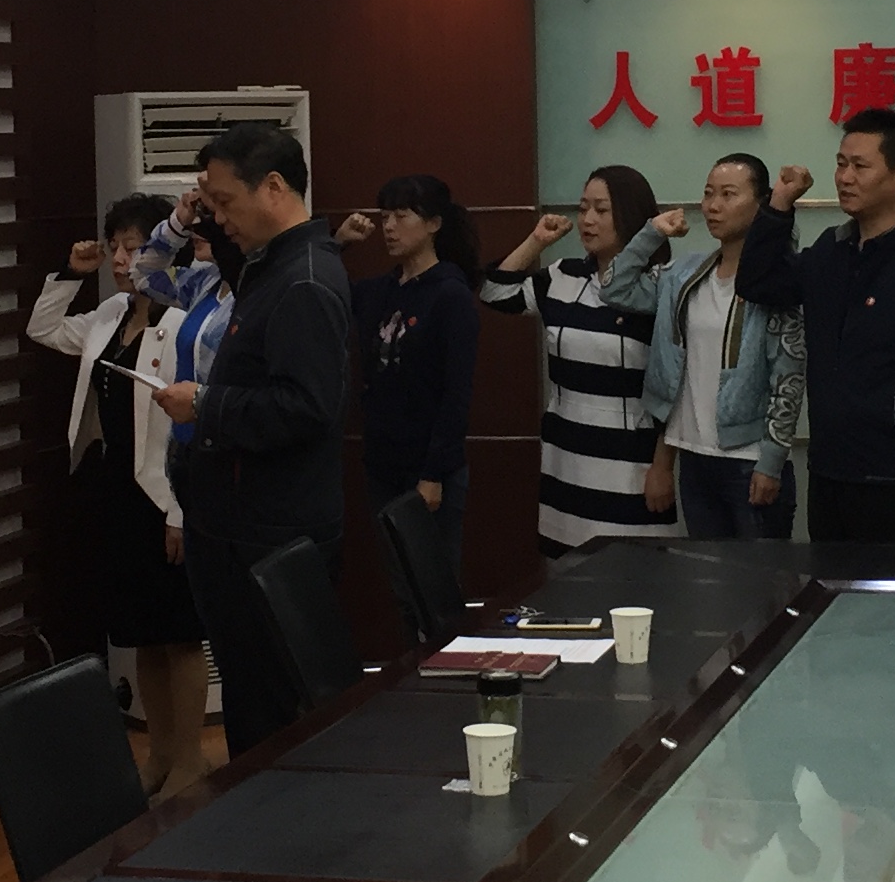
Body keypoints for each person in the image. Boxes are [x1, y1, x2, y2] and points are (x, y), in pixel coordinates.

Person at [153, 123, 350, 755]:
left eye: (225, 202)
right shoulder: (272, 263)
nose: (219, 218)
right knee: (250, 700)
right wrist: (192, 215)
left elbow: (307, 407)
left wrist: (204, 403)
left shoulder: (304, 279)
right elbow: (159, 267)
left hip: (269, 534)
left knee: (270, 714)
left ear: (273, 188)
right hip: (237, 524)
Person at [24, 195, 208, 794]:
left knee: (180, 634)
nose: (123, 260)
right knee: (141, 635)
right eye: (116, 248)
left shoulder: (183, 321)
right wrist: (70, 275)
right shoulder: (109, 314)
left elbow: (189, 429)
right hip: (116, 491)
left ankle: (191, 758)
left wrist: (180, 513)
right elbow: (44, 329)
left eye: (134, 247)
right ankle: (159, 753)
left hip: (165, 493)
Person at [737, 108, 895, 543]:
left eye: (860, 166)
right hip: (829, 472)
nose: (844, 178)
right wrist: (779, 205)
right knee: (828, 583)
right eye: (840, 164)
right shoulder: (830, 252)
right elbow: (757, 282)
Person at [605, 154, 807, 539]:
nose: (713, 206)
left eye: (728, 194)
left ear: (761, 204)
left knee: (760, 575)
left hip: (748, 461)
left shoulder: (776, 283)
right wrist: (653, 232)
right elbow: (615, 288)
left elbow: (789, 378)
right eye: (709, 193)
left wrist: (771, 462)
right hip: (694, 459)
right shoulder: (683, 274)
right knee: (707, 573)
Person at [482, 164, 678, 556]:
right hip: (566, 455)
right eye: (583, 207)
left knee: (631, 570)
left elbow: (676, 385)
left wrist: (663, 466)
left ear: (631, 215)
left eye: (601, 210)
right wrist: (537, 241)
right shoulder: (562, 276)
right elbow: (494, 293)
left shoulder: (660, 285)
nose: (587, 220)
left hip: (630, 461)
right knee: (567, 570)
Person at [333, 172, 482, 578]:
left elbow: (456, 394)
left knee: (433, 580)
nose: (389, 227)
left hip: (429, 465)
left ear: (433, 224)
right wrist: (339, 242)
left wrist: (433, 474)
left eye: (401, 216)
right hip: (382, 460)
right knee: (399, 577)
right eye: (385, 217)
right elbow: (326, 291)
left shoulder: (450, 294)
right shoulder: (380, 290)